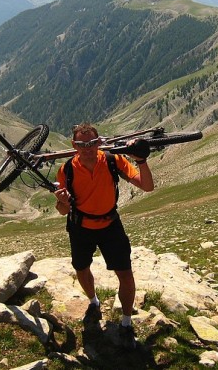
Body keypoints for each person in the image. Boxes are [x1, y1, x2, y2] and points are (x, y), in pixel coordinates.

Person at [53, 122, 154, 350]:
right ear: (74, 145)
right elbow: (62, 210)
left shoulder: (112, 160)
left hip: (110, 225)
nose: (87, 148)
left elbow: (147, 186)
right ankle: (93, 302)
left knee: (125, 275)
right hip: (80, 226)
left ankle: (126, 322)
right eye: (82, 144)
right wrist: (61, 201)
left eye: (91, 143)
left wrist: (141, 160)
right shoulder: (67, 169)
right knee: (81, 268)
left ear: (99, 142)